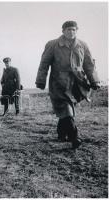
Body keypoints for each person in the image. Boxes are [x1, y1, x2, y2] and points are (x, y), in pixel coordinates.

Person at [35, 21, 100, 149]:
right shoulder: (53, 44)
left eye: (74, 29)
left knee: (66, 109)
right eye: (68, 29)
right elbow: (44, 63)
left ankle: (61, 133)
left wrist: (94, 80)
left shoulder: (82, 45)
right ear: (63, 31)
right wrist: (40, 80)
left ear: (77, 30)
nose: (71, 32)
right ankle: (74, 137)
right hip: (58, 82)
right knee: (66, 108)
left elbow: (89, 65)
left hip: (77, 83)